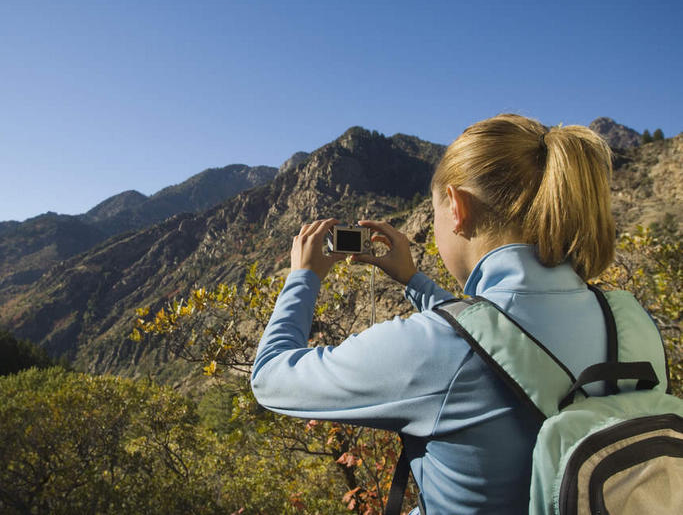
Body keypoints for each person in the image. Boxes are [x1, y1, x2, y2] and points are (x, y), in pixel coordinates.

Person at [251, 113, 617, 514]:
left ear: (457, 208)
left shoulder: (430, 350)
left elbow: (270, 376)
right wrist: (412, 280)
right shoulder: (626, 322)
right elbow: (495, 336)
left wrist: (303, 278)